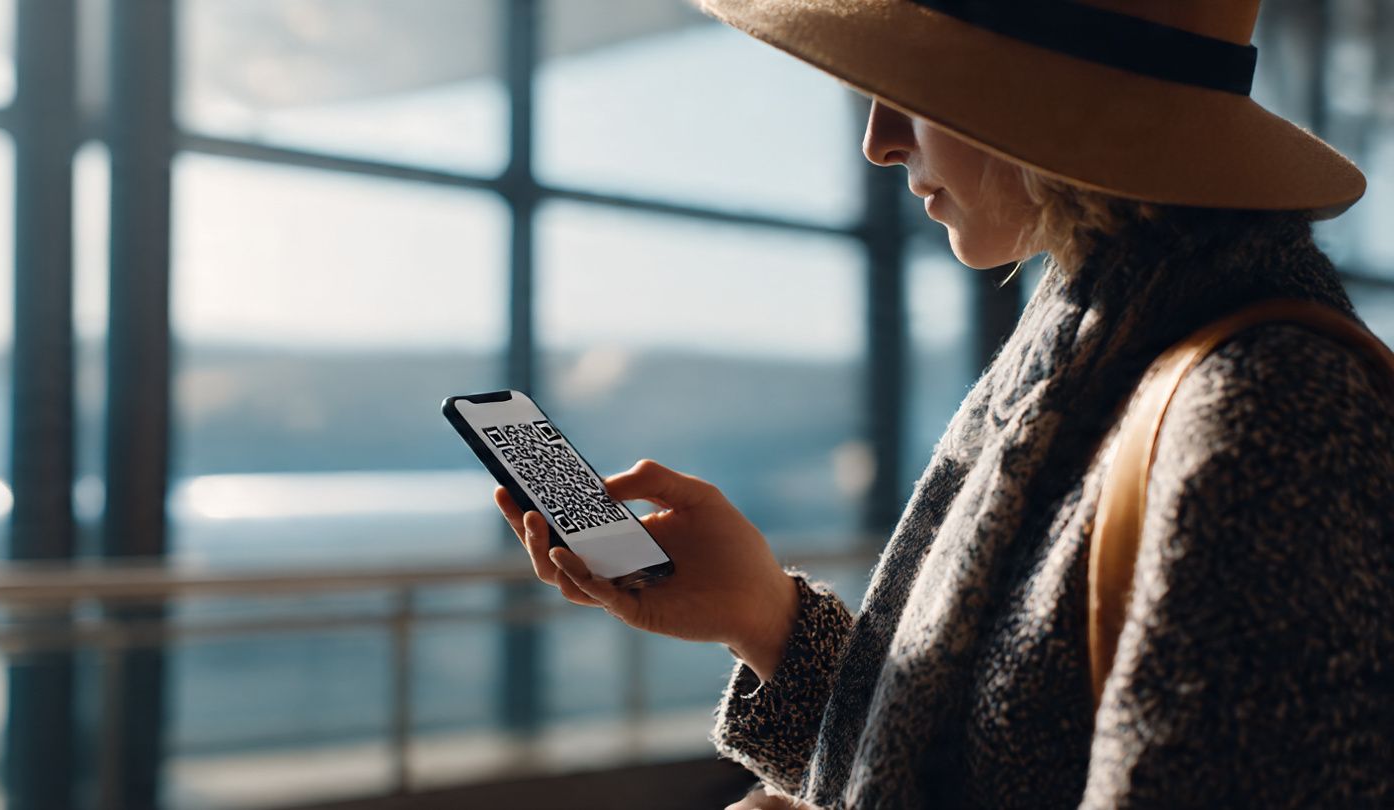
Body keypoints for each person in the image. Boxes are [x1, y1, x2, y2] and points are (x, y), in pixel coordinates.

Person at [495, 1, 1394, 807]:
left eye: (916, 86)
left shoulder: (1271, 416)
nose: (879, 140)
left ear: (1036, 98)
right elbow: (984, 771)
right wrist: (763, 616)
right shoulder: (1107, 358)